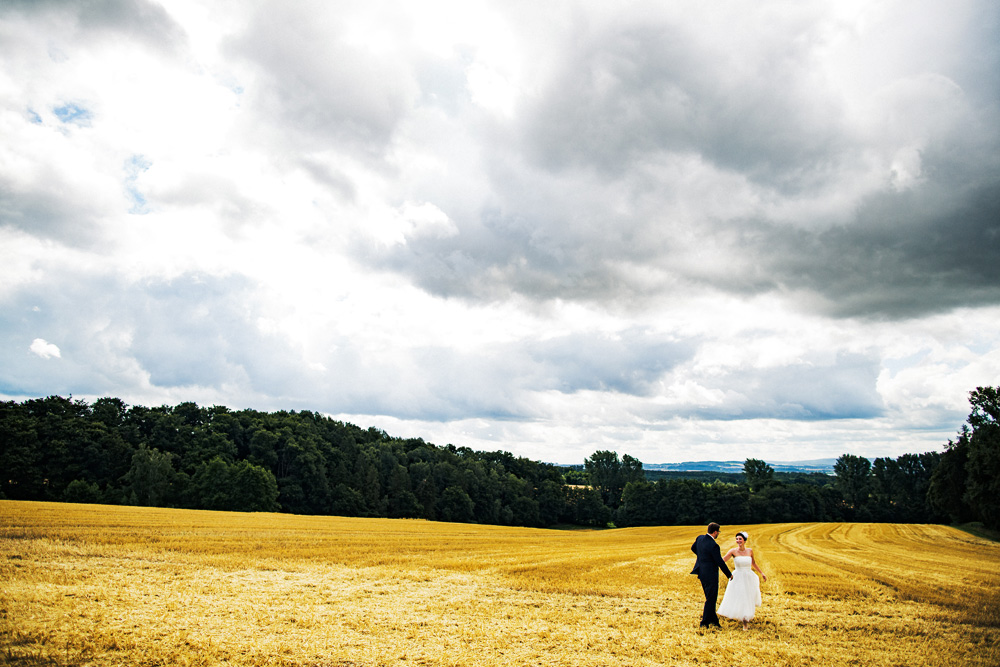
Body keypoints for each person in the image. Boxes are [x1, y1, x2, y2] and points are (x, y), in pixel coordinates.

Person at [717, 530, 767, 630]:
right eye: (737, 539)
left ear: (744, 540)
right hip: (738, 577)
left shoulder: (750, 551)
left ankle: (746, 617)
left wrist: (761, 573)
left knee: (748, 597)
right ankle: (744, 621)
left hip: (748, 577)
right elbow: (722, 561)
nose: (738, 541)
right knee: (741, 597)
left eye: (740, 539)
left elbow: (754, 563)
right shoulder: (733, 551)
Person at [690, 522, 732, 629]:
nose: (718, 534)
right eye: (718, 532)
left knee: (710, 597)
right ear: (715, 532)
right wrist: (729, 574)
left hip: (701, 572)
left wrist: (702, 556)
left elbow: (693, 548)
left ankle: (714, 621)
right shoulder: (714, 546)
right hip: (711, 575)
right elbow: (720, 562)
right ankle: (704, 623)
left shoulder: (699, 538)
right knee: (711, 599)